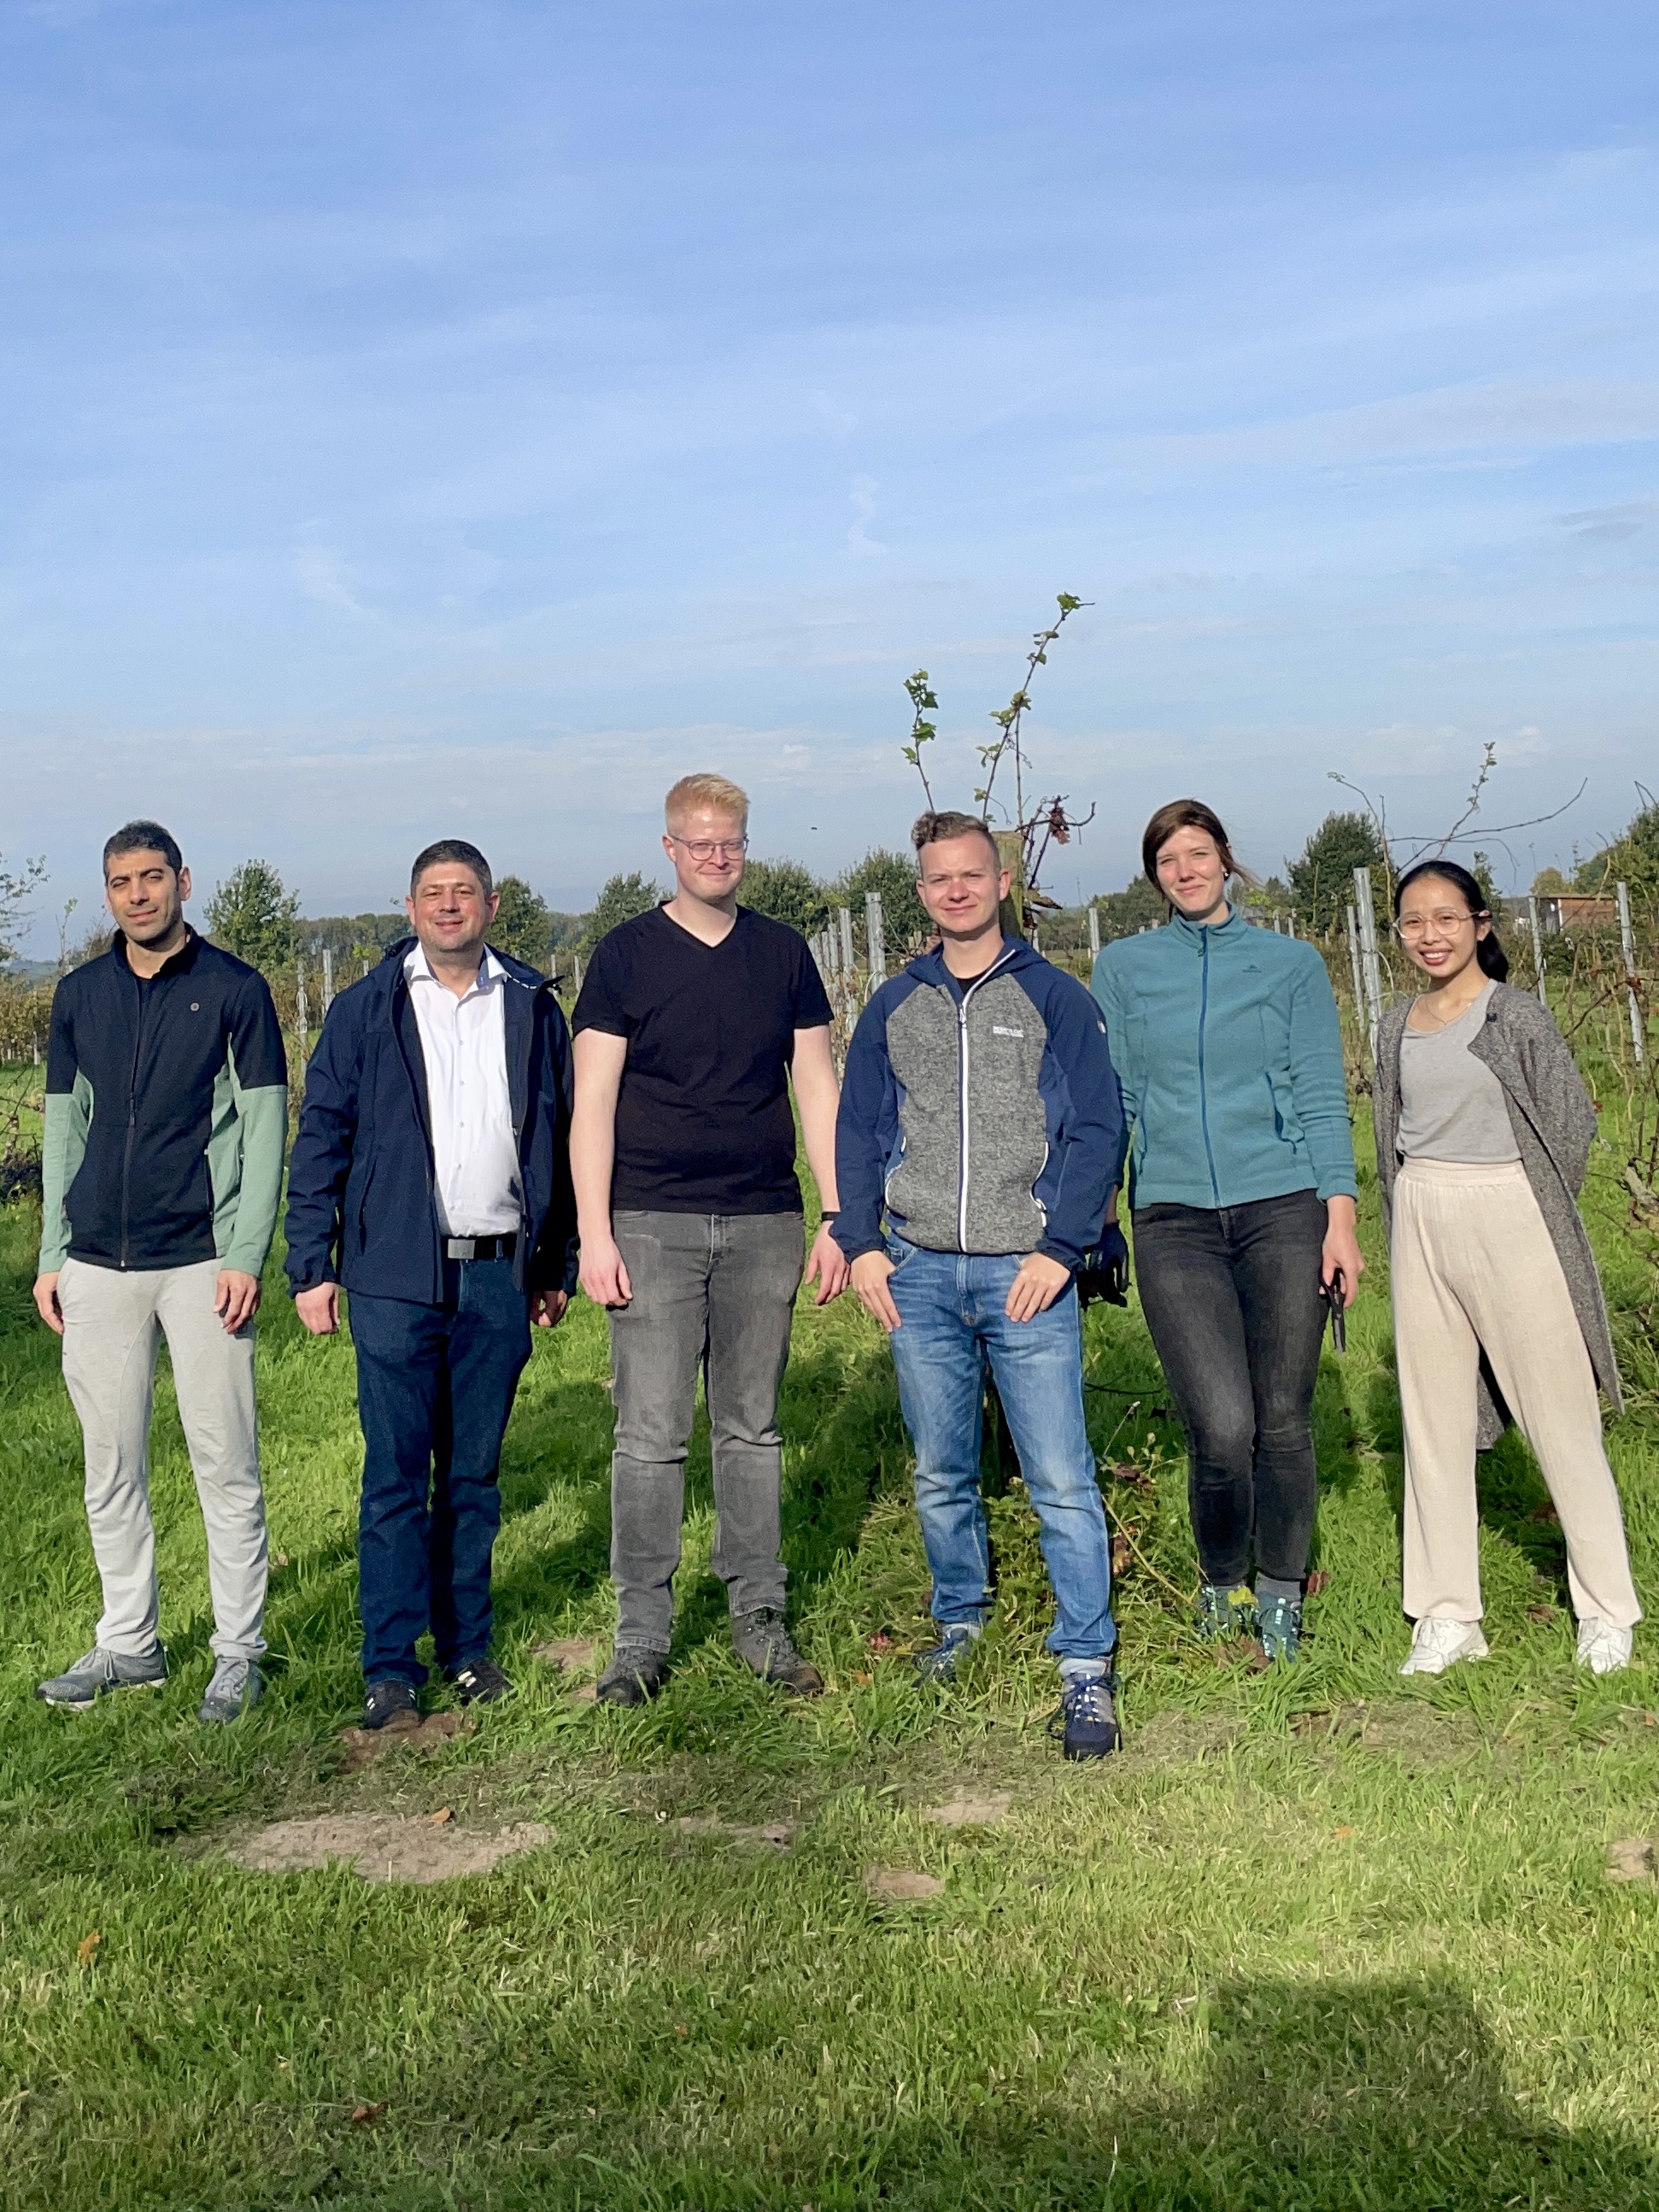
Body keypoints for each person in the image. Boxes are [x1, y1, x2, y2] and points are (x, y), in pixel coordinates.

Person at [833, 810, 1125, 1760]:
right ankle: (959, 1620)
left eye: (970, 875)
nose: (954, 891)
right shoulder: (894, 1004)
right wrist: (861, 1241)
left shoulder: (1055, 998)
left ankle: (1085, 1665)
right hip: (919, 1273)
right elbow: (858, 1127)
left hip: (1023, 1273)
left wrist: (1063, 1246)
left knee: (1058, 1476)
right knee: (940, 1471)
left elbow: (1097, 1129)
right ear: (920, 894)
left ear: (1002, 883)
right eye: (936, 880)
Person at [284, 839, 577, 1728]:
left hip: (497, 1275)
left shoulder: (529, 1005)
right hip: (393, 1277)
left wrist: (554, 1263)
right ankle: (390, 1665)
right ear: (409, 909)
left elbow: (557, 1138)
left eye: (464, 892)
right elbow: (322, 1137)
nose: (448, 907)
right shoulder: (366, 1008)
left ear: (491, 905)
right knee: (395, 1477)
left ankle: (466, 1651)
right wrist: (312, 1265)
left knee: (475, 1478)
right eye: (432, 894)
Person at [572, 772, 848, 1705]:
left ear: (744, 845)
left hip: (765, 1218)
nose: (716, 857)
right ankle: (640, 1634)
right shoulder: (625, 956)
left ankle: (758, 1619)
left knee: (752, 1430)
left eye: (729, 841)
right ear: (668, 849)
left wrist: (838, 1214)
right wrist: (593, 1232)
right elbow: (593, 1103)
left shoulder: (782, 954)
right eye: (698, 843)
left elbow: (816, 1089)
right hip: (650, 1222)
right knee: (649, 1437)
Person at [1091, 800, 1362, 1663]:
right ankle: (1221, 1581)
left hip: (1282, 1205)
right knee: (1218, 1422)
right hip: (1172, 1217)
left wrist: (1341, 1217)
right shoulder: (1125, 968)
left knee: (1282, 1415)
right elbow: (1118, 1097)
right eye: (1168, 860)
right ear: (1154, 875)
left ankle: (1280, 1591)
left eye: (1198, 854)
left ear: (1225, 860)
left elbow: (1320, 1092)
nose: (1185, 871)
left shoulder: (1289, 965)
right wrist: (1102, 1212)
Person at [33, 821, 288, 1722]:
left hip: (203, 1262)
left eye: (152, 878)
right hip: (98, 1263)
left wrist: (247, 1254)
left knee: (225, 1463)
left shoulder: (236, 991)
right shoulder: (78, 995)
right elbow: (65, 1129)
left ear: (183, 881)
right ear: (107, 894)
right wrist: (50, 1258)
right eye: (120, 882)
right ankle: (129, 1645)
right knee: (111, 1467)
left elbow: (264, 1135)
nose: (138, 895)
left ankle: (237, 1653)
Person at [1375, 861, 1640, 1676]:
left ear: (1481, 924)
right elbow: (1390, 1127)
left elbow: (1568, 1122)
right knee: (1433, 1420)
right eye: (1414, 921)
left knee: (1558, 1416)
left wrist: (1529, 1204)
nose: (1431, 935)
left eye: (1447, 918)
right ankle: (1449, 1614)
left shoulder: (1515, 1015)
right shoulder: (1394, 1022)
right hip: (1422, 1212)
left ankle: (1606, 1609)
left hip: (1512, 1212)